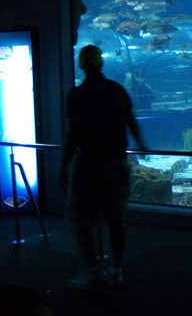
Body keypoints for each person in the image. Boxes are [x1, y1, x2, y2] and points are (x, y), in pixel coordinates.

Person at [59, 45, 147, 289]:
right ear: (101, 63)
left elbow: (72, 135)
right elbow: (131, 122)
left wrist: (64, 166)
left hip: (87, 164)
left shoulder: (76, 95)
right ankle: (116, 268)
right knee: (116, 218)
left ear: (81, 65)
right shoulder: (117, 90)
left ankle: (92, 266)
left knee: (80, 218)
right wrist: (141, 143)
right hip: (115, 164)